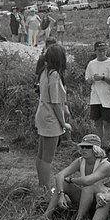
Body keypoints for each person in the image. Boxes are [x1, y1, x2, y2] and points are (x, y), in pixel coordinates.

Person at [50, 134, 110, 220]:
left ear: (96, 148)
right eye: (82, 146)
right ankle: (46, 216)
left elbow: (88, 181)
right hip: (86, 198)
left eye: (87, 147)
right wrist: (61, 194)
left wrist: (71, 180)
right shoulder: (80, 161)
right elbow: (59, 175)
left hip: (103, 201)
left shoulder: (105, 164)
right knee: (64, 184)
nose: (84, 149)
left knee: (90, 186)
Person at [35, 44, 71, 194]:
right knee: (48, 157)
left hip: (43, 113)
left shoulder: (45, 71)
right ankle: (46, 188)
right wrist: (63, 123)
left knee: (41, 153)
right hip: (51, 116)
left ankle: (41, 185)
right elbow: (55, 102)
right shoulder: (54, 75)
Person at [84, 41, 110, 142]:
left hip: (108, 97)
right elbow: (87, 79)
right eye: (99, 51)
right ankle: (97, 145)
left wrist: (103, 78)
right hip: (95, 98)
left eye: (104, 50)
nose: (102, 53)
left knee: (108, 124)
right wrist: (91, 80)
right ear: (95, 51)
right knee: (97, 123)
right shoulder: (91, 64)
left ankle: (107, 145)